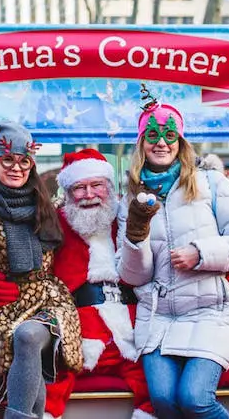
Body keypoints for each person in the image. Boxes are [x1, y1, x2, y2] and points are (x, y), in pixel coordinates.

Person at [116, 89, 229, 419]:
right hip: (160, 317)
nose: (161, 143)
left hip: (213, 310)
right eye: (152, 135)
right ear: (142, 143)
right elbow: (134, 276)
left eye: (170, 135)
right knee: (164, 400)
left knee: (195, 398)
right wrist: (137, 235)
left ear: (181, 142)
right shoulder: (132, 199)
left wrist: (201, 253)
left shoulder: (211, 183)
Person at [0, 121, 83, 419]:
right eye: (8, 160)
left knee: (27, 336)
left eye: (24, 161)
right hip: (1, 307)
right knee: (21, 342)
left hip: (47, 300)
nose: (16, 167)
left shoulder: (48, 208)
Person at [44, 148, 155, 419]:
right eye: (80, 188)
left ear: (109, 186)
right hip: (78, 328)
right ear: (68, 193)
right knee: (53, 379)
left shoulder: (127, 220)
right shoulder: (53, 227)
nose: (89, 194)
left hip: (130, 326)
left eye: (96, 185)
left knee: (154, 383)